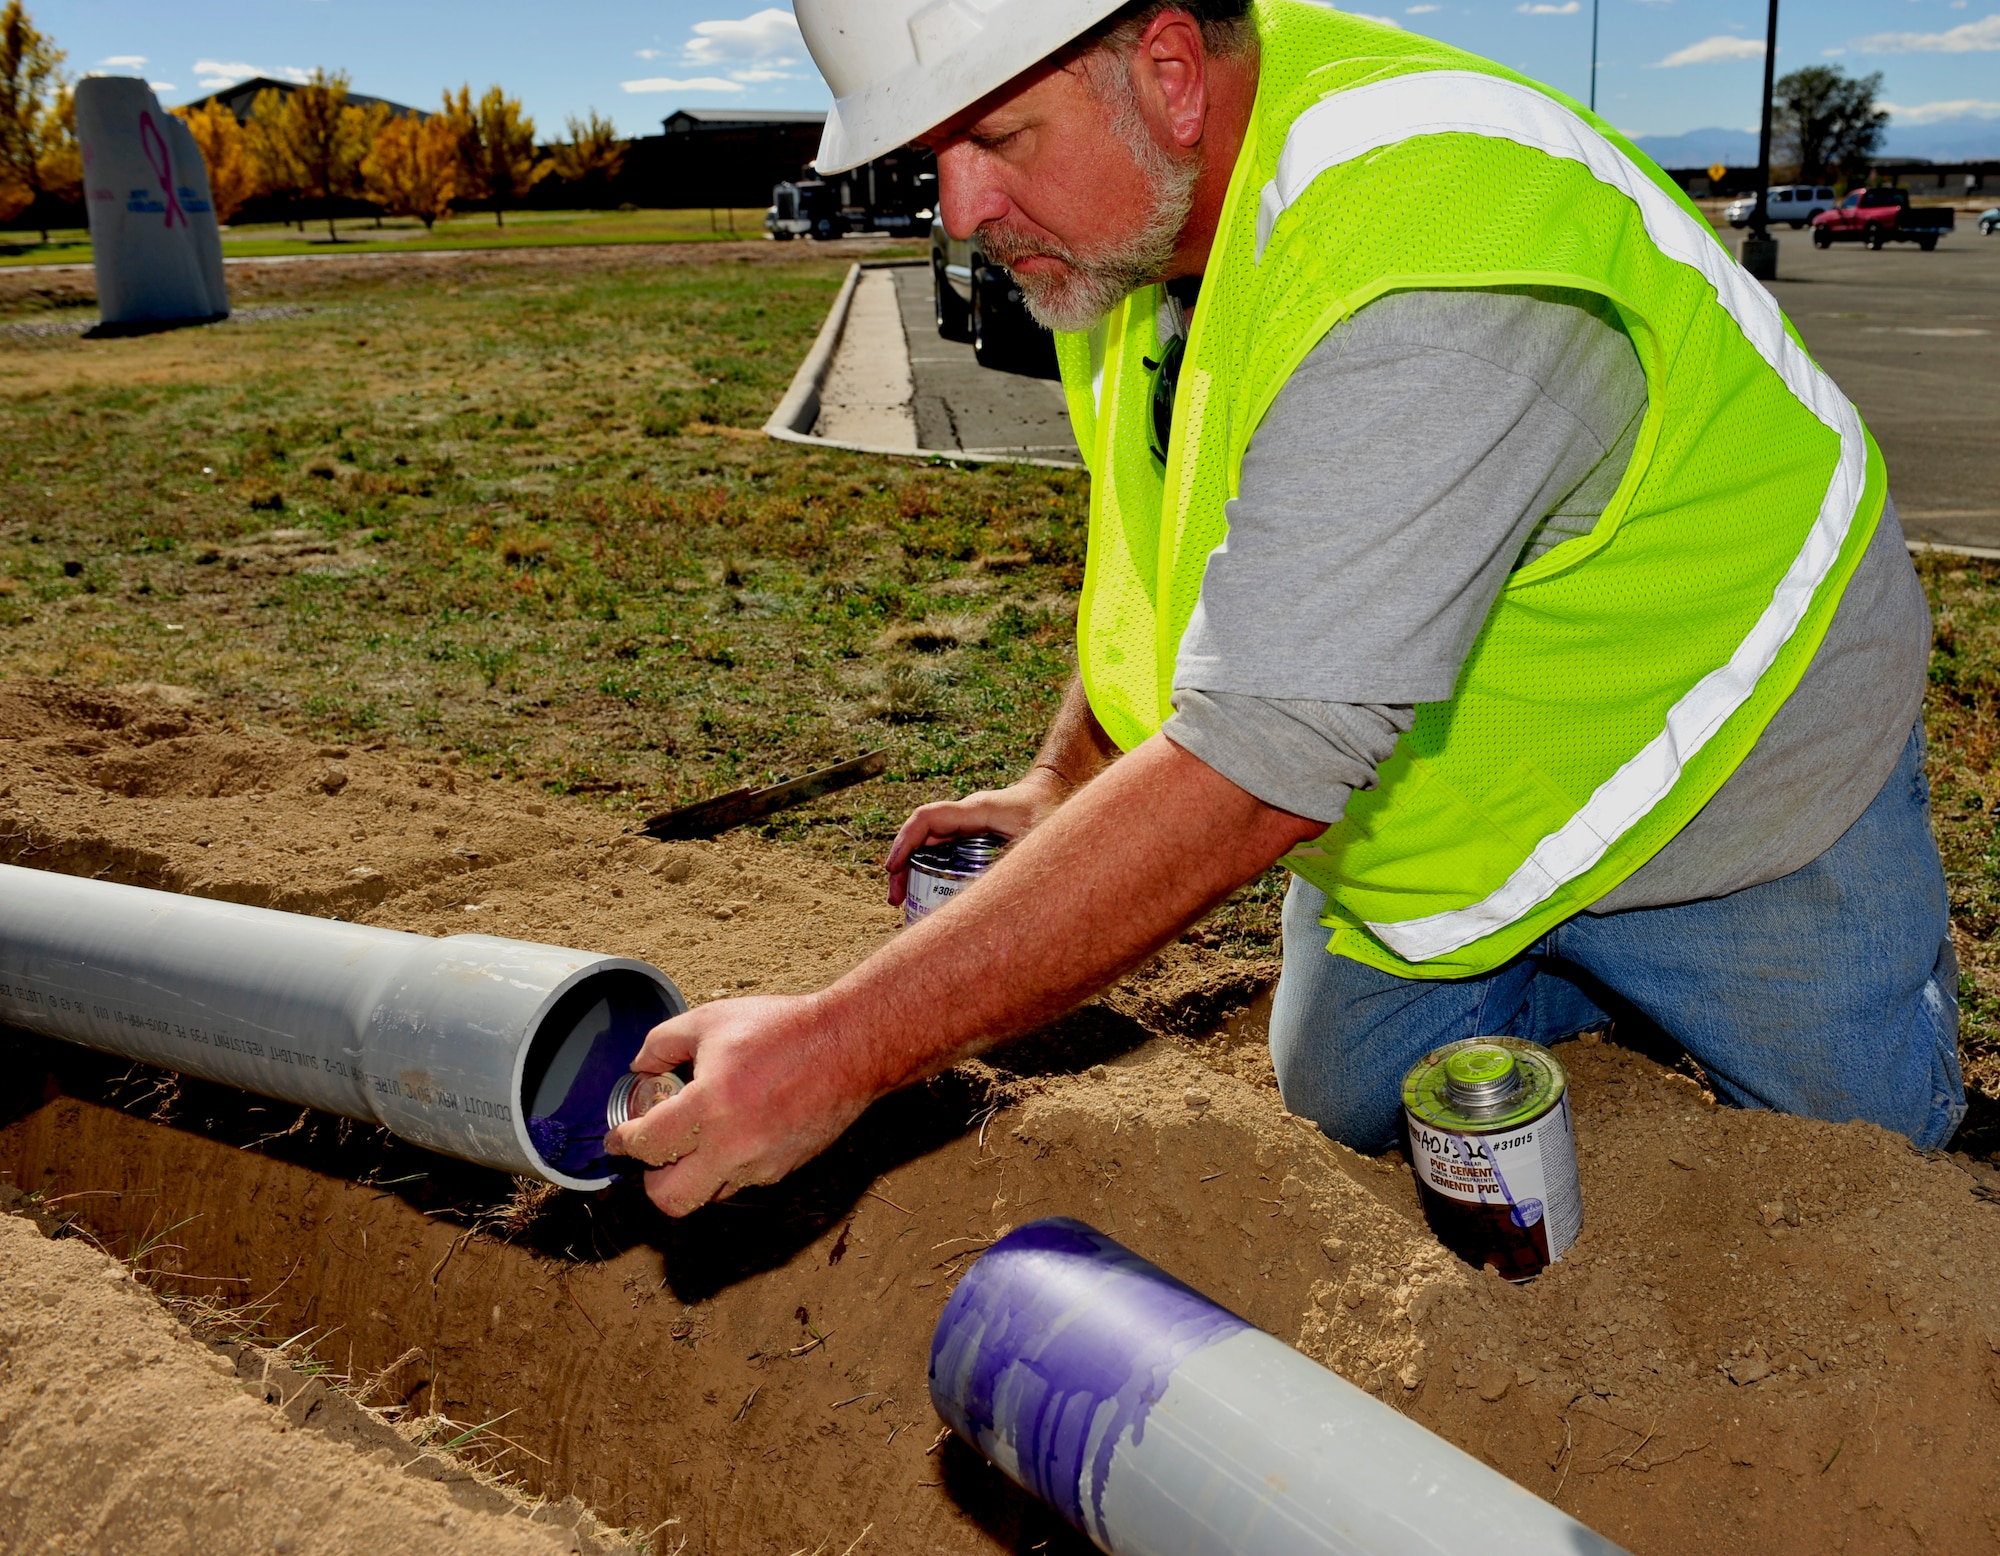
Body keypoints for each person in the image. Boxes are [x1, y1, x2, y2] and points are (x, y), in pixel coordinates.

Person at [606, 0, 1959, 1215]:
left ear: (1173, 69)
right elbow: (1173, 544)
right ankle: (1557, 978)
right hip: (1452, 817)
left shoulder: (1426, 261)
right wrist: (1058, 783)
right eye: (931, 160)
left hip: (1728, 778)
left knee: (1874, 1178)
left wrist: (837, 1051)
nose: (959, 211)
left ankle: (1758, 981)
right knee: (1342, 1102)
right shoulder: (1138, 230)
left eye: (998, 139)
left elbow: (1257, 773)